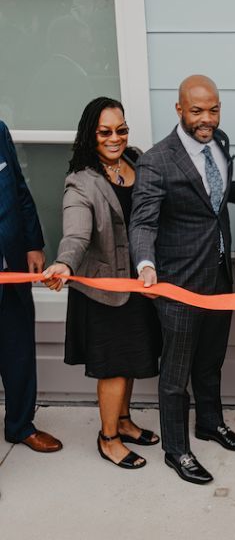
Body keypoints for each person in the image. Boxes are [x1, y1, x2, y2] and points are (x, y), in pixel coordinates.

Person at [129, 74, 235, 486]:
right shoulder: (156, 160)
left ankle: (210, 423)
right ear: (179, 109)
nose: (207, 119)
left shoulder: (222, 141)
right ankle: (176, 449)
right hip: (178, 284)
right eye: (197, 110)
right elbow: (143, 221)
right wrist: (145, 264)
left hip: (218, 274)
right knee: (176, 373)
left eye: (213, 109)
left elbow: (218, 191)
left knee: (211, 358)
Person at [42, 97, 161, 470]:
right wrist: (63, 263)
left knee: (129, 363)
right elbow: (76, 235)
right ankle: (108, 437)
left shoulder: (137, 161)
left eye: (121, 130)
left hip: (137, 284)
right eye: (105, 132)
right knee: (112, 367)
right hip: (103, 292)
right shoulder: (81, 182)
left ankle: (124, 422)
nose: (115, 138)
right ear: (90, 135)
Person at [0, 121, 63, 460]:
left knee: (18, 351)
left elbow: (19, 191)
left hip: (11, 269)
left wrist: (34, 244)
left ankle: (21, 425)